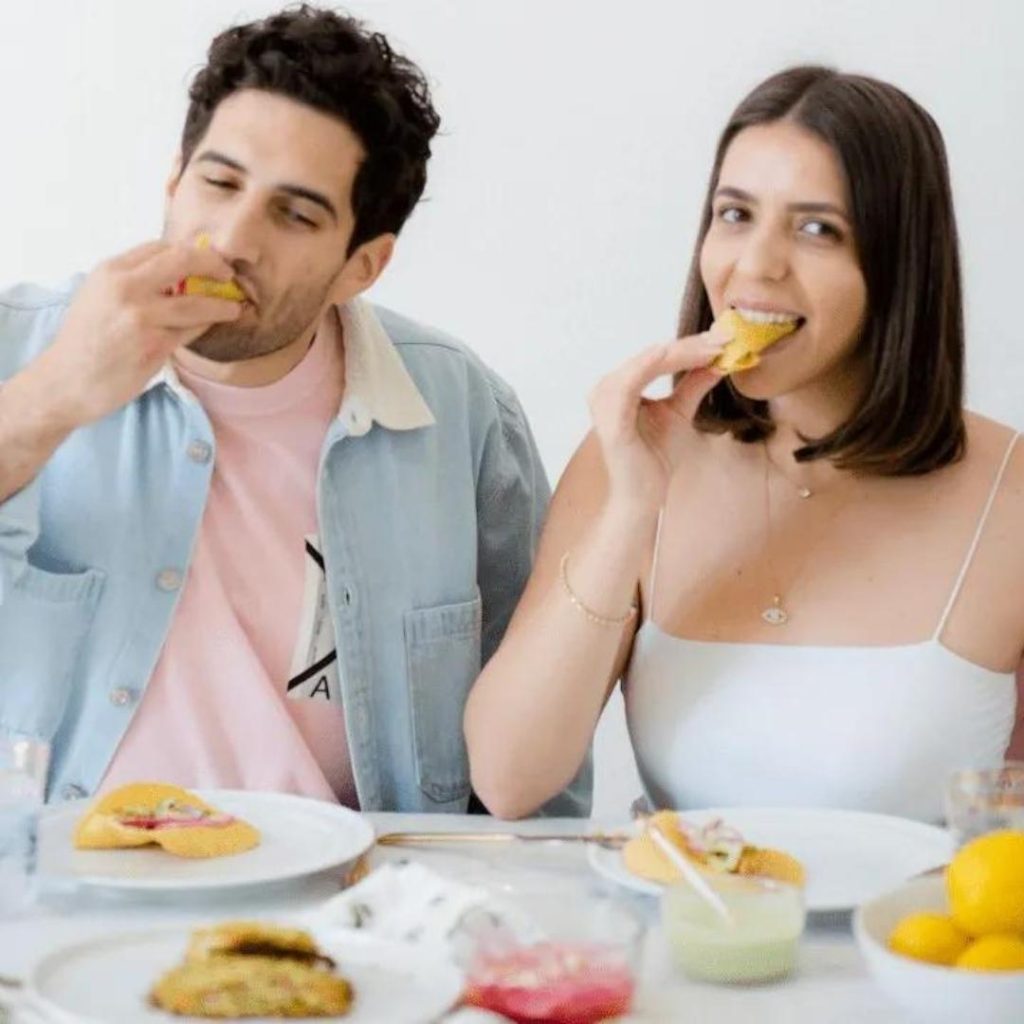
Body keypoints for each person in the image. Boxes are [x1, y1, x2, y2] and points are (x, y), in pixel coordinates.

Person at [0, 5, 589, 816]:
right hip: (56, 897)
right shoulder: (19, 349)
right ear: (174, 181)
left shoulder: (461, 414)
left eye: (296, 213)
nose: (233, 237)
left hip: (347, 909)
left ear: (363, 266)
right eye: (219, 181)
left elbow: (533, 745)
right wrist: (57, 391)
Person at [465, 65, 1023, 823]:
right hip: (682, 936)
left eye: (817, 228)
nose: (754, 265)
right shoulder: (626, 460)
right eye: (734, 215)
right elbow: (509, 779)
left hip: (915, 940)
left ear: (899, 264)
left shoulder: (1010, 493)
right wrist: (633, 508)